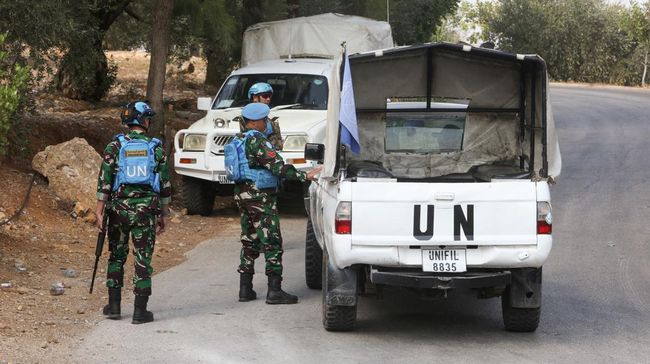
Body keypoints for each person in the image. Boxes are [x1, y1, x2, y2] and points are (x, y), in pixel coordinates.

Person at [233, 103, 321, 304]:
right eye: (264, 120)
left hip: (242, 195)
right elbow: (277, 167)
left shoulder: (238, 139)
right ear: (254, 122)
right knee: (272, 242)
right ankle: (275, 291)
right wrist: (304, 175)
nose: (267, 123)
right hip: (260, 197)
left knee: (249, 240)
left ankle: (245, 290)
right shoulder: (257, 141)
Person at [95, 101, 171, 324]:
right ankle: (140, 311)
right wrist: (164, 214)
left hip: (118, 210)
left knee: (116, 256)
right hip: (145, 211)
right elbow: (165, 185)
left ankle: (115, 306)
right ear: (144, 121)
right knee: (142, 259)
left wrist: (100, 211)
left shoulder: (115, 146)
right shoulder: (156, 148)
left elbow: (104, 182)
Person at [245, 82, 284, 150]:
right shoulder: (245, 119)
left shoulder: (271, 121)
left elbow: (278, 146)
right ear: (255, 97)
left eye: (269, 96)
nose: (268, 99)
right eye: (265, 96)